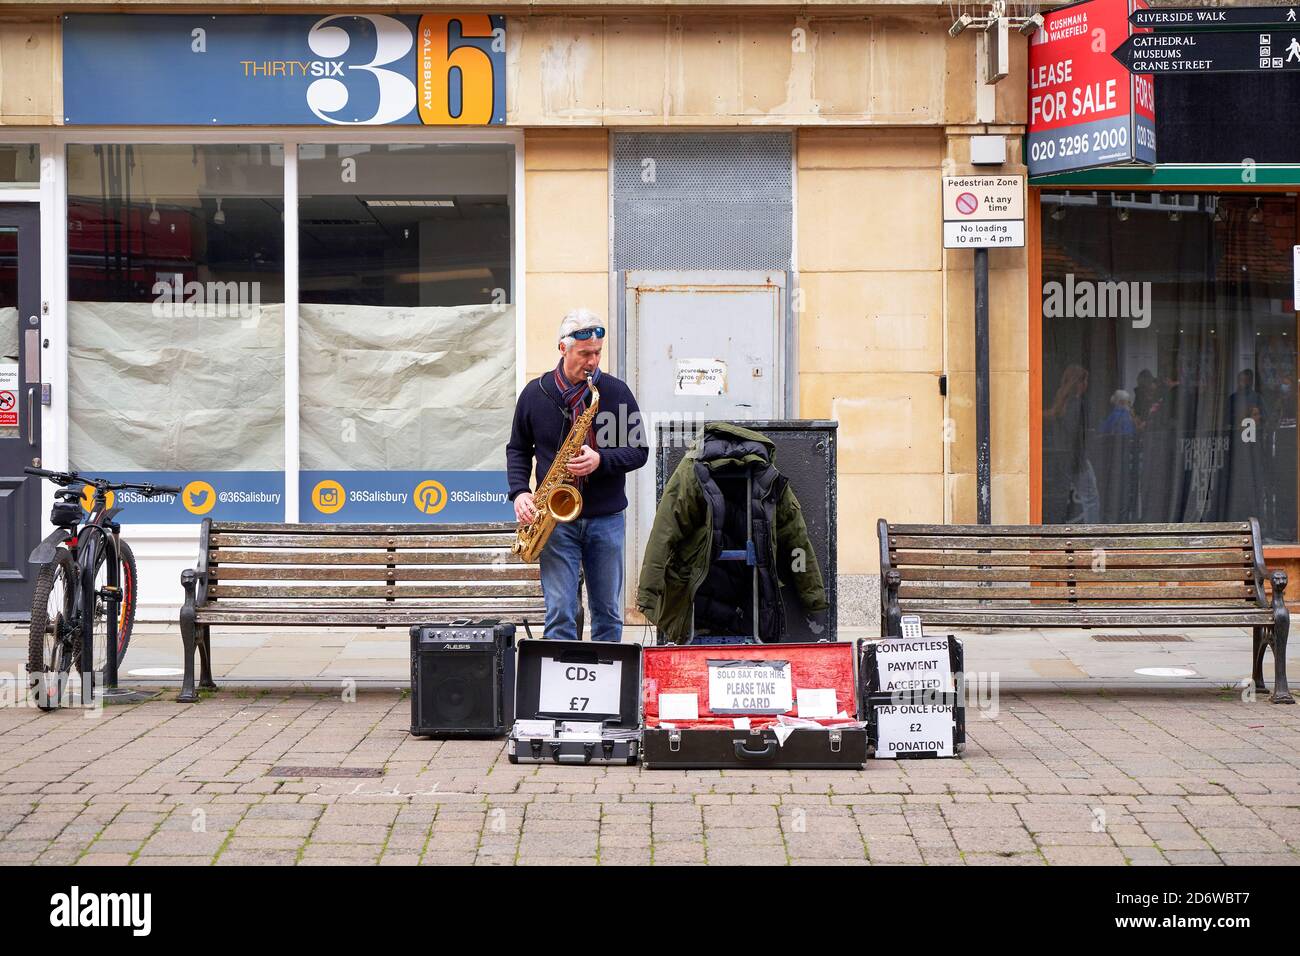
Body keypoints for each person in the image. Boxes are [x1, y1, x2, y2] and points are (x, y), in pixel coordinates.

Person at [506, 309, 648, 642]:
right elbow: (517, 449)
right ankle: (560, 686)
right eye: (585, 353)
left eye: (597, 353)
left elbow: (639, 451)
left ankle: (607, 686)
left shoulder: (615, 392)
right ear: (563, 348)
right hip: (555, 520)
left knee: (608, 613)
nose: (593, 361)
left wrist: (602, 460)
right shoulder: (534, 394)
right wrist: (519, 492)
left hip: (606, 517)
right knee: (560, 611)